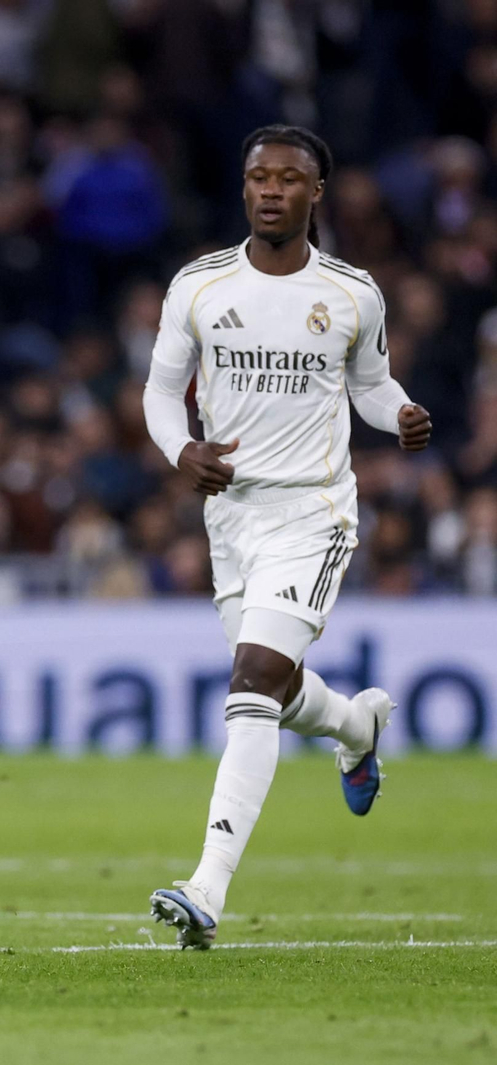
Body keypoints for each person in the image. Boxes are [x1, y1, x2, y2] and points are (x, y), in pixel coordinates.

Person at [142, 126, 432, 949]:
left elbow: (371, 385)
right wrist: (181, 450)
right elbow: (162, 394)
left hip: (313, 511)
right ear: (244, 189)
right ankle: (356, 728)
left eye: (288, 179)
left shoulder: (351, 292)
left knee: (252, 677)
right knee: (272, 688)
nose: (270, 190)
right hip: (231, 517)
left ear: (316, 193)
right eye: (257, 178)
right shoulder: (199, 285)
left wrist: (401, 413)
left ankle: (206, 887)